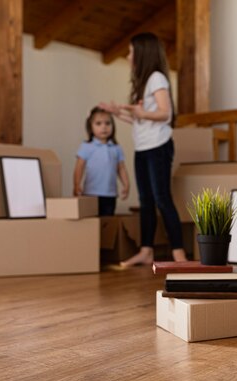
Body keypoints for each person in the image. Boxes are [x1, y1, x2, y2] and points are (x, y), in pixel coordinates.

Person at [99, 32, 187, 267]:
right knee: (146, 200)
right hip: (143, 147)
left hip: (158, 146)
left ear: (142, 53)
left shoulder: (157, 78)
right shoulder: (142, 83)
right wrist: (119, 112)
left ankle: (179, 253)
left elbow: (165, 113)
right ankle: (146, 250)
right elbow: (142, 120)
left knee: (162, 198)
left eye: (130, 52)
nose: (128, 57)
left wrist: (140, 113)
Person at [73, 107, 129, 216]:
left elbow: (121, 168)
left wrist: (126, 184)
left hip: (110, 194)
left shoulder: (116, 148)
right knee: (91, 223)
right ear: (90, 127)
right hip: (91, 194)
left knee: (107, 223)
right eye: (98, 124)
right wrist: (76, 184)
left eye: (107, 123)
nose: (104, 127)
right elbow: (79, 166)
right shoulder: (86, 146)